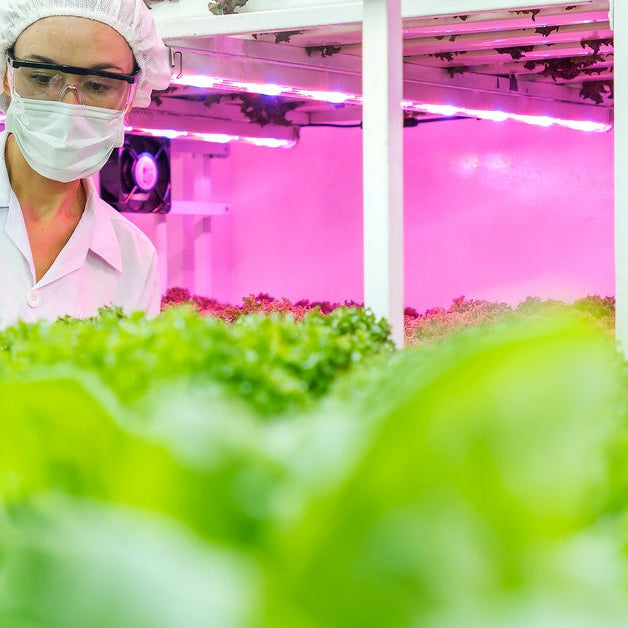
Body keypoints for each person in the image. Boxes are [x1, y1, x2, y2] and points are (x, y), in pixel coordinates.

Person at [0, 0, 172, 328]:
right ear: (7, 76)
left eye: (98, 85)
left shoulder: (135, 259)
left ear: (130, 95)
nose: (69, 107)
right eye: (41, 76)